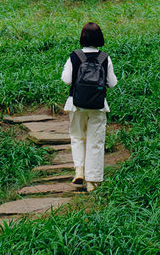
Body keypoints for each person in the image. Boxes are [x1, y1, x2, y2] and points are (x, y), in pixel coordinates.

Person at [61, 21, 118, 191]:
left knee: (77, 137)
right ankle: (92, 182)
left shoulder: (74, 56)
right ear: (99, 37)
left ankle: (79, 170)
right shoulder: (104, 58)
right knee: (96, 142)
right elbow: (112, 83)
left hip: (76, 104)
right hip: (98, 105)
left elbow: (67, 80)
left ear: (82, 37)